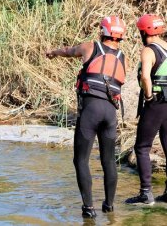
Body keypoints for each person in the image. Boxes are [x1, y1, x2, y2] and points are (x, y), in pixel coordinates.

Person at [46, 16, 127, 218]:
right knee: (108, 161)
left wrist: (53, 52)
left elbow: (69, 51)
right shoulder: (122, 57)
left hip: (91, 110)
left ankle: (88, 209)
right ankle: (109, 207)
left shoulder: (91, 47)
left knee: (80, 160)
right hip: (110, 113)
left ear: (103, 32)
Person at [125, 14, 167, 205]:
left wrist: (149, 97)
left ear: (144, 31)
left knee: (142, 147)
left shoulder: (149, 50)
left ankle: (145, 193)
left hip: (156, 102)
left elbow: (145, 77)